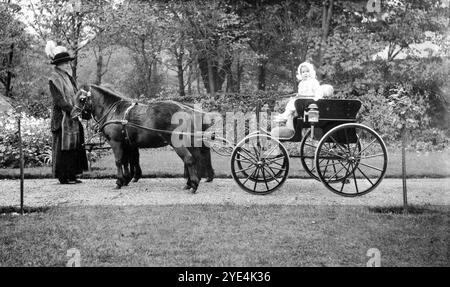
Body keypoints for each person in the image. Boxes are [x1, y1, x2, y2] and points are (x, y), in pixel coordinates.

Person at [45, 41, 88, 184]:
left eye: (68, 63)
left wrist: (82, 103)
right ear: (58, 64)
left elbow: (75, 94)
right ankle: (63, 176)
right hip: (61, 118)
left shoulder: (68, 77)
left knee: (75, 144)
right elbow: (59, 100)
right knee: (63, 147)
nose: (68, 65)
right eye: (65, 63)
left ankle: (73, 174)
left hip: (72, 116)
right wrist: (72, 110)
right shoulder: (54, 78)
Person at [271, 62, 333, 139]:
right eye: (303, 72)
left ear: (310, 72)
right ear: (300, 74)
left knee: (293, 102)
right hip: (303, 102)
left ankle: (285, 116)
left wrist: (315, 98)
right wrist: (298, 96)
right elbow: (301, 93)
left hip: (311, 102)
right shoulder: (301, 83)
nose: (305, 73)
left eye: (307, 71)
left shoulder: (313, 82)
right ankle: (286, 117)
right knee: (292, 102)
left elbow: (318, 92)